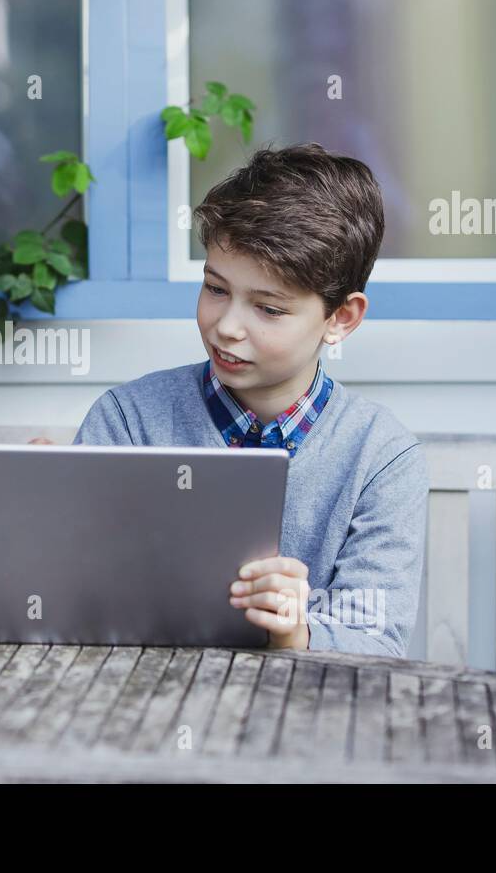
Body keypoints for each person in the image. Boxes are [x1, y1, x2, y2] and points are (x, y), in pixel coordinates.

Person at [74, 143, 429, 656]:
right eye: (216, 289)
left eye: (268, 308)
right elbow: (73, 596)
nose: (227, 326)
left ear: (341, 319)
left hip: (302, 721)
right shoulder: (129, 420)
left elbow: (376, 639)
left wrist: (293, 633)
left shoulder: (381, 458)